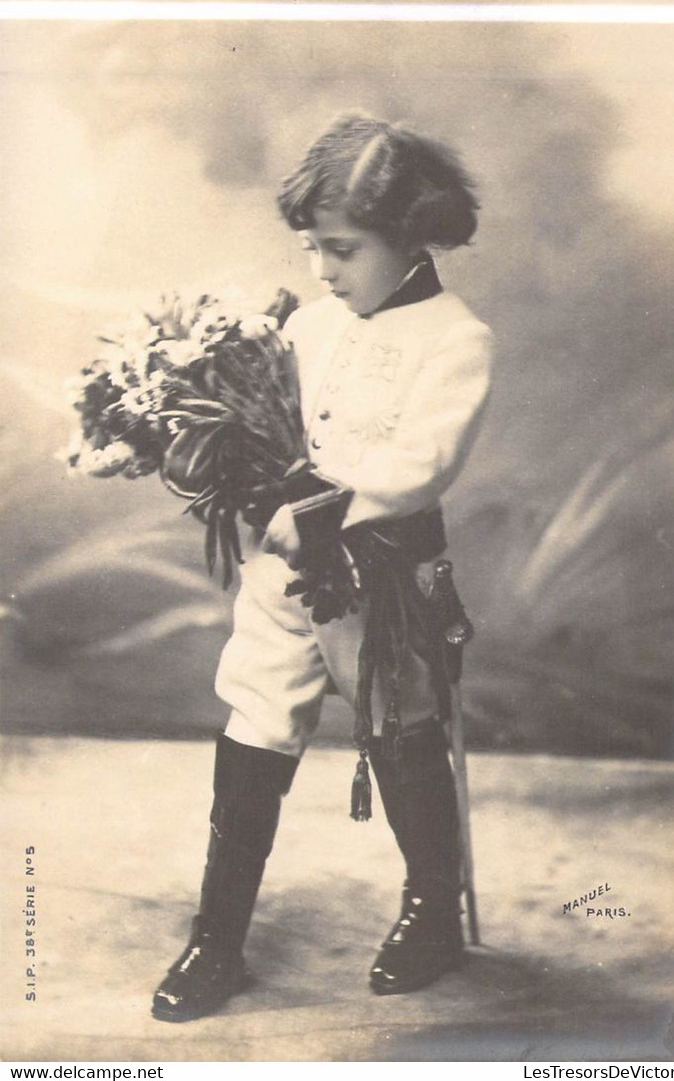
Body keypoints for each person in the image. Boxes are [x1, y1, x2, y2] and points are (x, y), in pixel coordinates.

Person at [151, 112, 494, 1023]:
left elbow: (422, 462)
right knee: (255, 720)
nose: (322, 270)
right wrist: (204, 446)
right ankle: (216, 935)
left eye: (340, 249)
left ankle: (430, 910)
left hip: (379, 574)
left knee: (397, 724)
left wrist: (327, 512)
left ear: (410, 237)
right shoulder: (308, 325)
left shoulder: (456, 340)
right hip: (283, 571)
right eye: (311, 249)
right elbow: (269, 433)